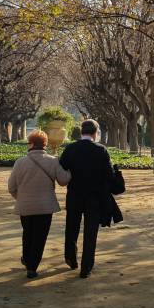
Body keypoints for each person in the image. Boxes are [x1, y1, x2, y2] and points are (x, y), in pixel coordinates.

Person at [7, 130, 71, 278]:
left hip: (25, 205)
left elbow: (11, 187)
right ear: (45, 144)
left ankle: (26, 259)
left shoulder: (20, 162)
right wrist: (69, 170)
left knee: (27, 234)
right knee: (40, 237)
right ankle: (32, 266)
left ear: (30, 144)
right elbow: (63, 181)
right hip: (45, 206)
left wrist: (20, 198)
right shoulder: (53, 160)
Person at [58, 119, 115, 278]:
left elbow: (61, 168)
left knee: (71, 229)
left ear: (81, 131)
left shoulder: (70, 148)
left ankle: (70, 258)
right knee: (91, 233)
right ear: (96, 132)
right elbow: (109, 175)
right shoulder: (101, 150)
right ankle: (86, 268)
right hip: (94, 198)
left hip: (75, 195)